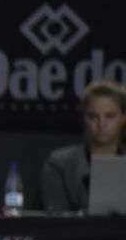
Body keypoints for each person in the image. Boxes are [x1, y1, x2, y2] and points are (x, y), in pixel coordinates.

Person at [40, 79, 125, 212]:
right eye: (93, 116)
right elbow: (56, 222)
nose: (101, 124)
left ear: (123, 117)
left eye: (110, 116)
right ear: (84, 118)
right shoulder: (59, 164)